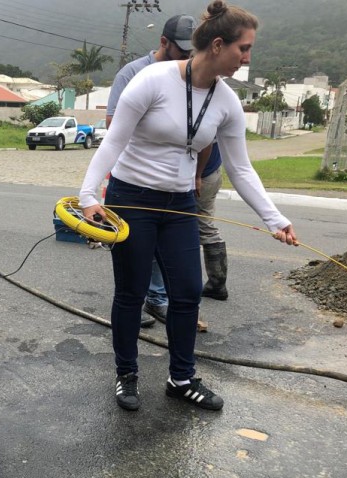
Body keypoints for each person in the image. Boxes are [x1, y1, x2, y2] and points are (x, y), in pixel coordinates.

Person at [78, 0, 298, 412]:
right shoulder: (152, 80)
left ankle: (181, 377)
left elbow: (241, 169)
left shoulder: (228, 102)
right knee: (132, 291)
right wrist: (89, 196)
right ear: (218, 45)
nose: (247, 58)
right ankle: (127, 374)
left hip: (180, 203)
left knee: (186, 293)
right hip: (131, 199)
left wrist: (275, 219)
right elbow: (114, 141)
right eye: (243, 49)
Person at [106, 14, 228, 328]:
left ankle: (178, 304)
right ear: (163, 43)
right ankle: (155, 300)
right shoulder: (137, 74)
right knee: (142, 252)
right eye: (183, 50)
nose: (190, 58)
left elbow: (213, 140)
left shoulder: (213, 84)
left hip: (194, 176)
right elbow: (114, 130)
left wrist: (197, 174)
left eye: (194, 50)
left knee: (185, 244)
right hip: (144, 181)